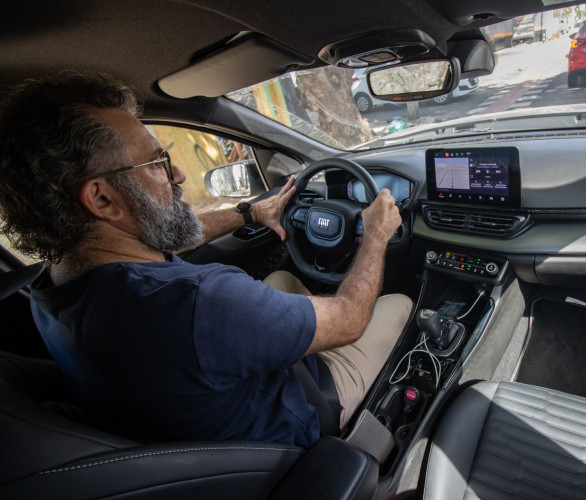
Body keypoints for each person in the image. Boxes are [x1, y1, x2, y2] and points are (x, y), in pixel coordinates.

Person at [0, 72, 412, 447]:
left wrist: (251, 212)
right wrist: (375, 236)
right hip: (303, 413)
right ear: (102, 199)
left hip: (195, 412)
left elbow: (161, 239)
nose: (177, 174)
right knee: (397, 305)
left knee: (284, 279)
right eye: (158, 162)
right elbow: (351, 318)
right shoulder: (199, 303)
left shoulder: (54, 286)